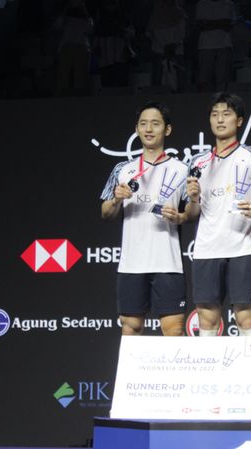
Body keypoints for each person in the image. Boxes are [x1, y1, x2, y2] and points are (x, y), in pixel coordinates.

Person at [100, 101, 199, 336]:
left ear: (167, 130)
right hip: (132, 263)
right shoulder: (123, 169)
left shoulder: (182, 169)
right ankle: (131, 376)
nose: (149, 129)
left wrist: (180, 216)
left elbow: (193, 214)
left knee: (173, 329)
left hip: (167, 262)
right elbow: (106, 213)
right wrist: (115, 201)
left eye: (155, 124)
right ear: (136, 129)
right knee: (130, 327)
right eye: (143, 124)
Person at [188, 93, 251, 336]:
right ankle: (210, 374)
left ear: (239, 121)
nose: (220, 120)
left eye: (226, 114)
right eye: (215, 115)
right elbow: (192, 214)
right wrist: (193, 198)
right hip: (206, 249)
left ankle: (250, 374)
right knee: (207, 320)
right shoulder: (197, 162)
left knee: (246, 320)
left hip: (241, 248)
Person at [195, 0, 236, 92]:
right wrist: (220, 23)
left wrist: (209, 23)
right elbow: (201, 25)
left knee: (222, 77)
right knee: (204, 77)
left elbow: (228, 25)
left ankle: (220, 100)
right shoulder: (202, 4)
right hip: (205, 45)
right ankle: (203, 99)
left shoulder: (228, 4)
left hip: (224, 44)